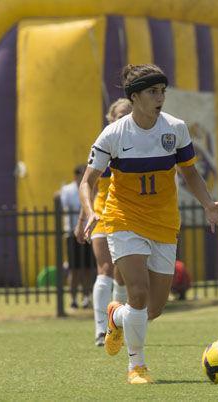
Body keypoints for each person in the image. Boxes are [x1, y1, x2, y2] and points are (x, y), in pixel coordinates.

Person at [78, 63, 218, 384]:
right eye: (153, 92)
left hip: (163, 223)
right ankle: (137, 366)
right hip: (124, 219)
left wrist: (209, 205)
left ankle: (115, 316)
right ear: (134, 98)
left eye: (162, 91)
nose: (160, 97)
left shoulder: (175, 128)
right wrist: (89, 211)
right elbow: (87, 181)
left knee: (153, 309)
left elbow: (190, 172)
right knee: (137, 291)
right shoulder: (114, 134)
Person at [74, 98, 132, 347]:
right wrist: (82, 220)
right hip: (101, 215)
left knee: (122, 276)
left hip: (127, 217)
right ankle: (100, 330)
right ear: (111, 118)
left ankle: (115, 323)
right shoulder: (105, 143)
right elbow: (89, 184)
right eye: (119, 114)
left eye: (128, 113)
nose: (124, 118)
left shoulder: (139, 144)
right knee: (105, 269)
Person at [59, 165, 94, 309]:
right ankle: (73, 298)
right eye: (81, 174)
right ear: (76, 176)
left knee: (87, 268)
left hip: (88, 233)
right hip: (72, 234)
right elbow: (62, 205)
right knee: (74, 269)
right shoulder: (67, 190)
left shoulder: (91, 188)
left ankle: (86, 298)